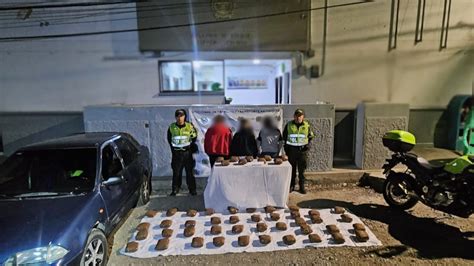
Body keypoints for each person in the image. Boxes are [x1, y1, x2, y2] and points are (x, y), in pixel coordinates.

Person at [283, 109, 315, 194]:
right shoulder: (289, 125)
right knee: (292, 170)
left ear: (303, 117)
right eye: (297, 116)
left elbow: (311, 136)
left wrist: (308, 145)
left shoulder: (307, 125)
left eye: (300, 116)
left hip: (302, 151)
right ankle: (292, 186)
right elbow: (284, 138)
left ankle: (302, 187)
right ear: (294, 116)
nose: (298, 117)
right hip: (292, 151)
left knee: (302, 171)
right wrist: (286, 150)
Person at [167, 109, 198, 196]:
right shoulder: (171, 127)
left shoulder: (189, 126)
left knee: (189, 173)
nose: (179, 118)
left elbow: (194, 137)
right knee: (176, 173)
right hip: (177, 154)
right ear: (175, 117)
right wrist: (174, 150)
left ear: (184, 117)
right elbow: (169, 140)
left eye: (181, 116)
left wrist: (190, 146)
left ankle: (192, 190)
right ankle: (175, 189)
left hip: (187, 153)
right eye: (177, 116)